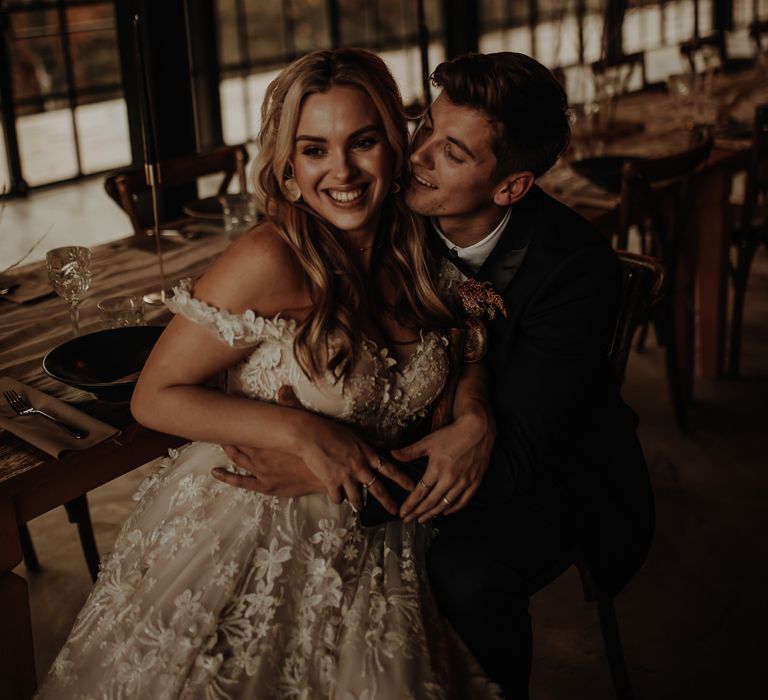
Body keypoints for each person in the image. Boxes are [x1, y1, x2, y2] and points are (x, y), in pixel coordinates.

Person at [35, 48, 502, 699]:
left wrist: (474, 405)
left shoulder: (416, 245)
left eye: (362, 142)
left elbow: (466, 346)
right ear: (287, 168)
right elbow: (154, 396)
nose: (341, 171)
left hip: (378, 535)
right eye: (315, 150)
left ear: (394, 146)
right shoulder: (269, 259)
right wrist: (302, 431)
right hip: (253, 529)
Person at [220, 52, 655, 699]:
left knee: (462, 571)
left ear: (511, 187)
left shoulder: (575, 271)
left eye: (452, 151)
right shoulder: (390, 211)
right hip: (418, 439)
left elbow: (509, 462)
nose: (417, 155)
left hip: (555, 472)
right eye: (424, 127)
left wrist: (330, 472)